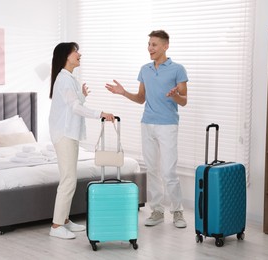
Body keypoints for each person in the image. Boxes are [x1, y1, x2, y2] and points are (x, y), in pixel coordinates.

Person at [105, 30, 188, 228]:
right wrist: (124, 92)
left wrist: (174, 95)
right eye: (149, 44)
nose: (150, 48)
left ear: (165, 46)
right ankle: (157, 210)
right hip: (147, 123)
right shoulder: (145, 69)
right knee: (151, 169)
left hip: (168, 124)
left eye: (154, 45)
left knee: (168, 172)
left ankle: (177, 211)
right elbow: (141, 98)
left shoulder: (178, 69)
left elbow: (184, 100)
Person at [49, 42, 114, 239]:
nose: (79, 54)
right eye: (75, 51)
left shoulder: (69, 79)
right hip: (65, 134)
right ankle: (56, 226)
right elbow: (75, 108)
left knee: (70, 178)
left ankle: (65, 220)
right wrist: (100, 113)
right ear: (66, 56)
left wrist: (82, 97)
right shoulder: (64, 79)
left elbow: (73, 106)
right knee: (68, 179)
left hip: (70, 133)